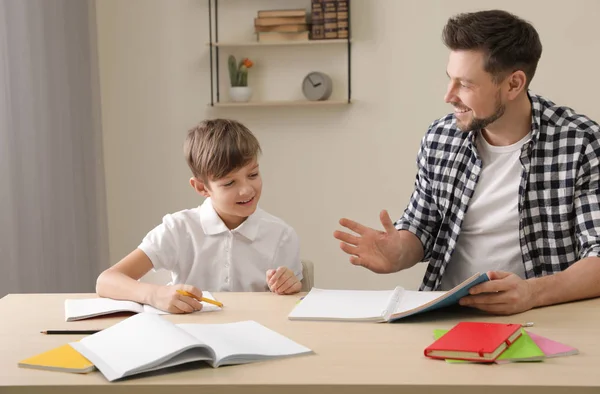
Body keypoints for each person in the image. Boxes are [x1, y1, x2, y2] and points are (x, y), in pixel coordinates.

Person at [334, 10, 600, 315]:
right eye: (450, 79)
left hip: (540, 318)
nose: (449, 95)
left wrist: (532, 293)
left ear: (514, 84)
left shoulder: (581, 144)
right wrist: (397, 252)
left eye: (466, 84)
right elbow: (422, 226)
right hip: (446, 314)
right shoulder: (441, 136)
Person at [97, 119, 303, 313]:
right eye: (229, 183)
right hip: (190, 337)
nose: (247, 190)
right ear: (201, 188)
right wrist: (155, 294)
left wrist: (290, 287)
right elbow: (106, 281)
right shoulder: (179, 229)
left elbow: (292, 305)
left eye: (253, 175)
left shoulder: (281, 235)